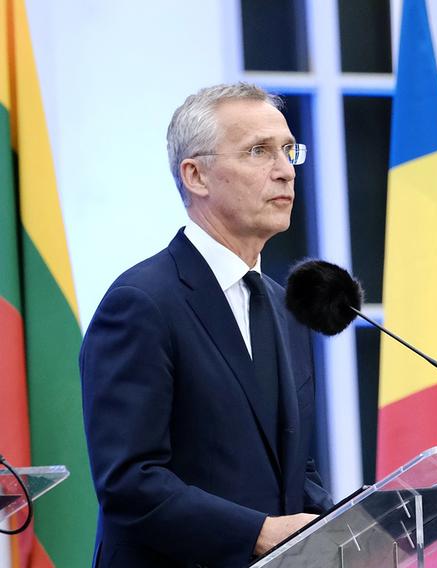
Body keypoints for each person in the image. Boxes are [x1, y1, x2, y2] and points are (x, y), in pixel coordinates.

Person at [80, 83, 332, 567]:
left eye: (287, 150)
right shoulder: (142, 303)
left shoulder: (284, 306)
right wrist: (258, 533)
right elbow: (129, 481)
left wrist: (368, 519)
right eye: (259, 151)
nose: (284, 170)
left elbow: (290, 468)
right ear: (196, 176)